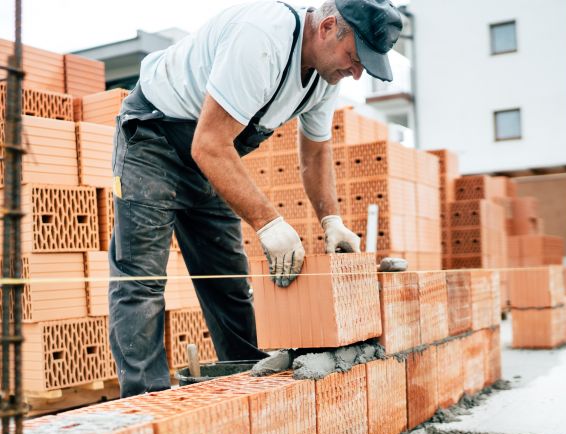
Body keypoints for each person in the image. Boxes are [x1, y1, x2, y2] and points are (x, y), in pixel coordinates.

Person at [109, 0, 404, 397]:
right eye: (354, 58)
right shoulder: (262, 39)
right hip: (154, 137)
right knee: (141, 279)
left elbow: (315, 153)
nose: (355, 73)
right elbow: (209, 144)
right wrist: (269, 222)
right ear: (327, 27)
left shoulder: (324, 77)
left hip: (212, 149)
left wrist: (331, 220)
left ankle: (246, 391)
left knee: (228, 281)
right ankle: (146, 406)